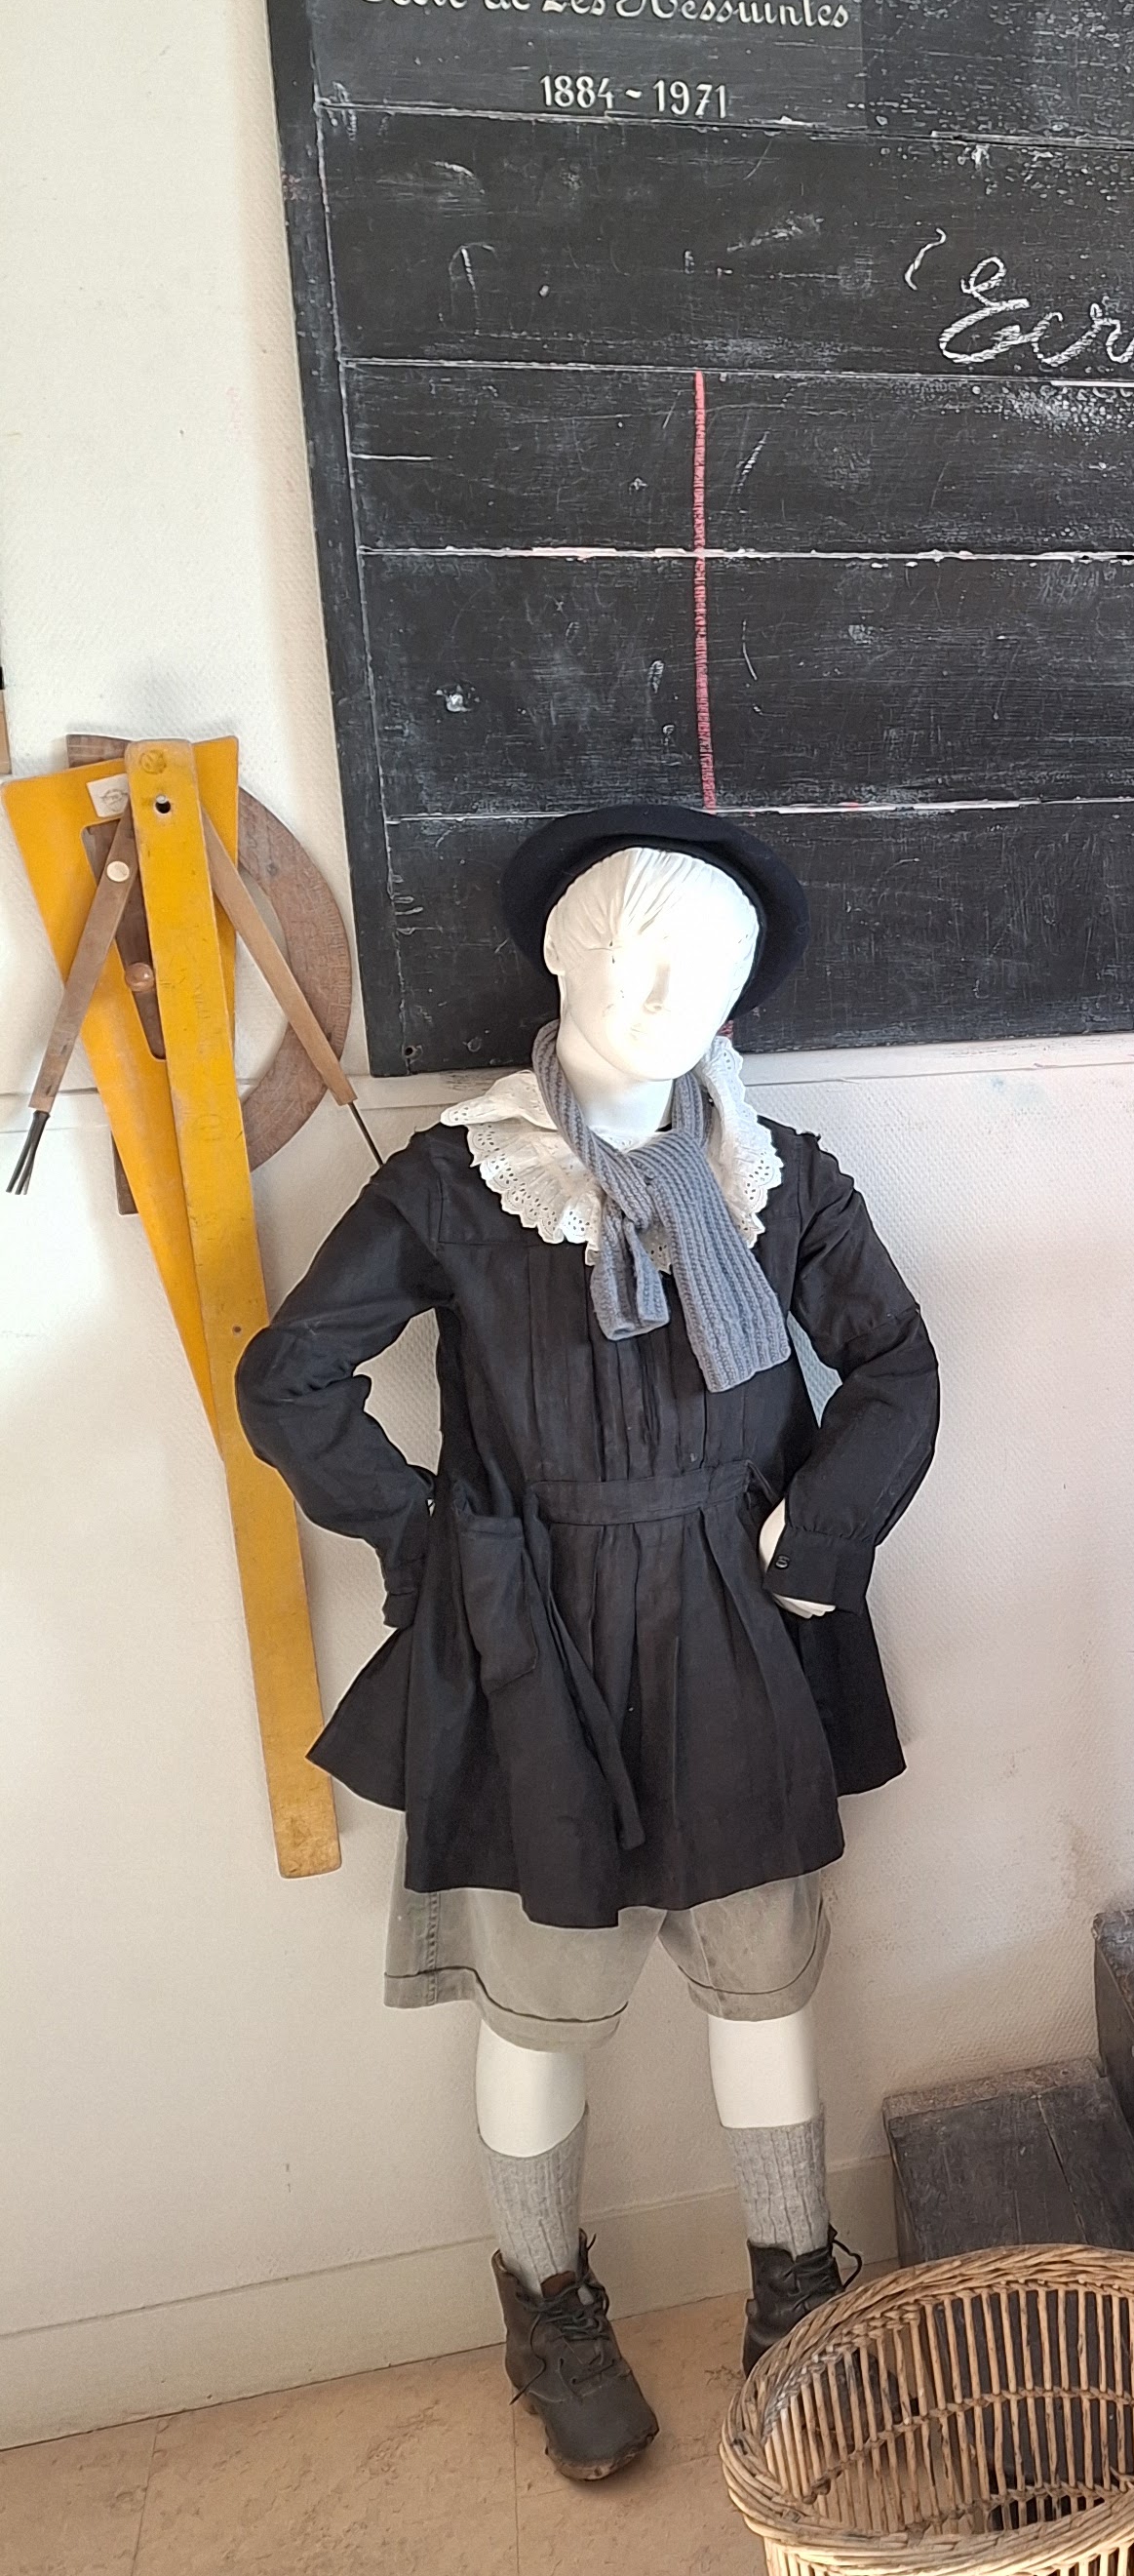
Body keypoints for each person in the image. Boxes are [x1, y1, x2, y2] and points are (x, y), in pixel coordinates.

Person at [237, 808, 939, 2477]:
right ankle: (545, 2300)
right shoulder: (461, 1181)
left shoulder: (775, 1176)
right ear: (558, 954)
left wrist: (816, 1544)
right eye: (629, 947)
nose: (665, 987)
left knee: (761, 1971)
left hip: (731, 1619)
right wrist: (429, 1543)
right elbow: (290, 1380)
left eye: (706, 962)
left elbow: (896, 1367)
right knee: (541, 1995)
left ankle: (794, 2286)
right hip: (532, 1636)